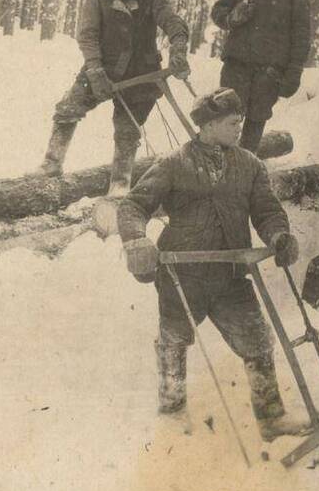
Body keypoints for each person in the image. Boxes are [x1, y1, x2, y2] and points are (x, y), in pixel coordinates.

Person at [117, 87, 307, 441]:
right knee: (174, 342)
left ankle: (272, 418)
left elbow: (266, 211)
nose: (240, 129)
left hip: (231, 275)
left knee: (258, 340)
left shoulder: (249, 165)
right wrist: (135, 239)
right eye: (233, 123)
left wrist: (279, 236)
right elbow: (132, 206)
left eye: (240, 122)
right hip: (181, 275)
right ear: (209, 125)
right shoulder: (174, 163)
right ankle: (172, 416)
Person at [34, 0, 191, 196]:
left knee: (128, 130)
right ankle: (51, 164)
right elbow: (88, 36)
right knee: (67, 109)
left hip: (142, 73)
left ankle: (120, 184)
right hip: (103, 68)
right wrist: (95, 71)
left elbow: (171, 20)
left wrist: (179, 46)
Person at [211, 0, 311, 153]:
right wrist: (232, 18)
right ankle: (217, 170)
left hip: (269, 73)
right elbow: (218, 12)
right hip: (236, 67)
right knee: (227, 119)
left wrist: (294, 73)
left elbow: (302, 38)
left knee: (255, 123)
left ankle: (244, 170)